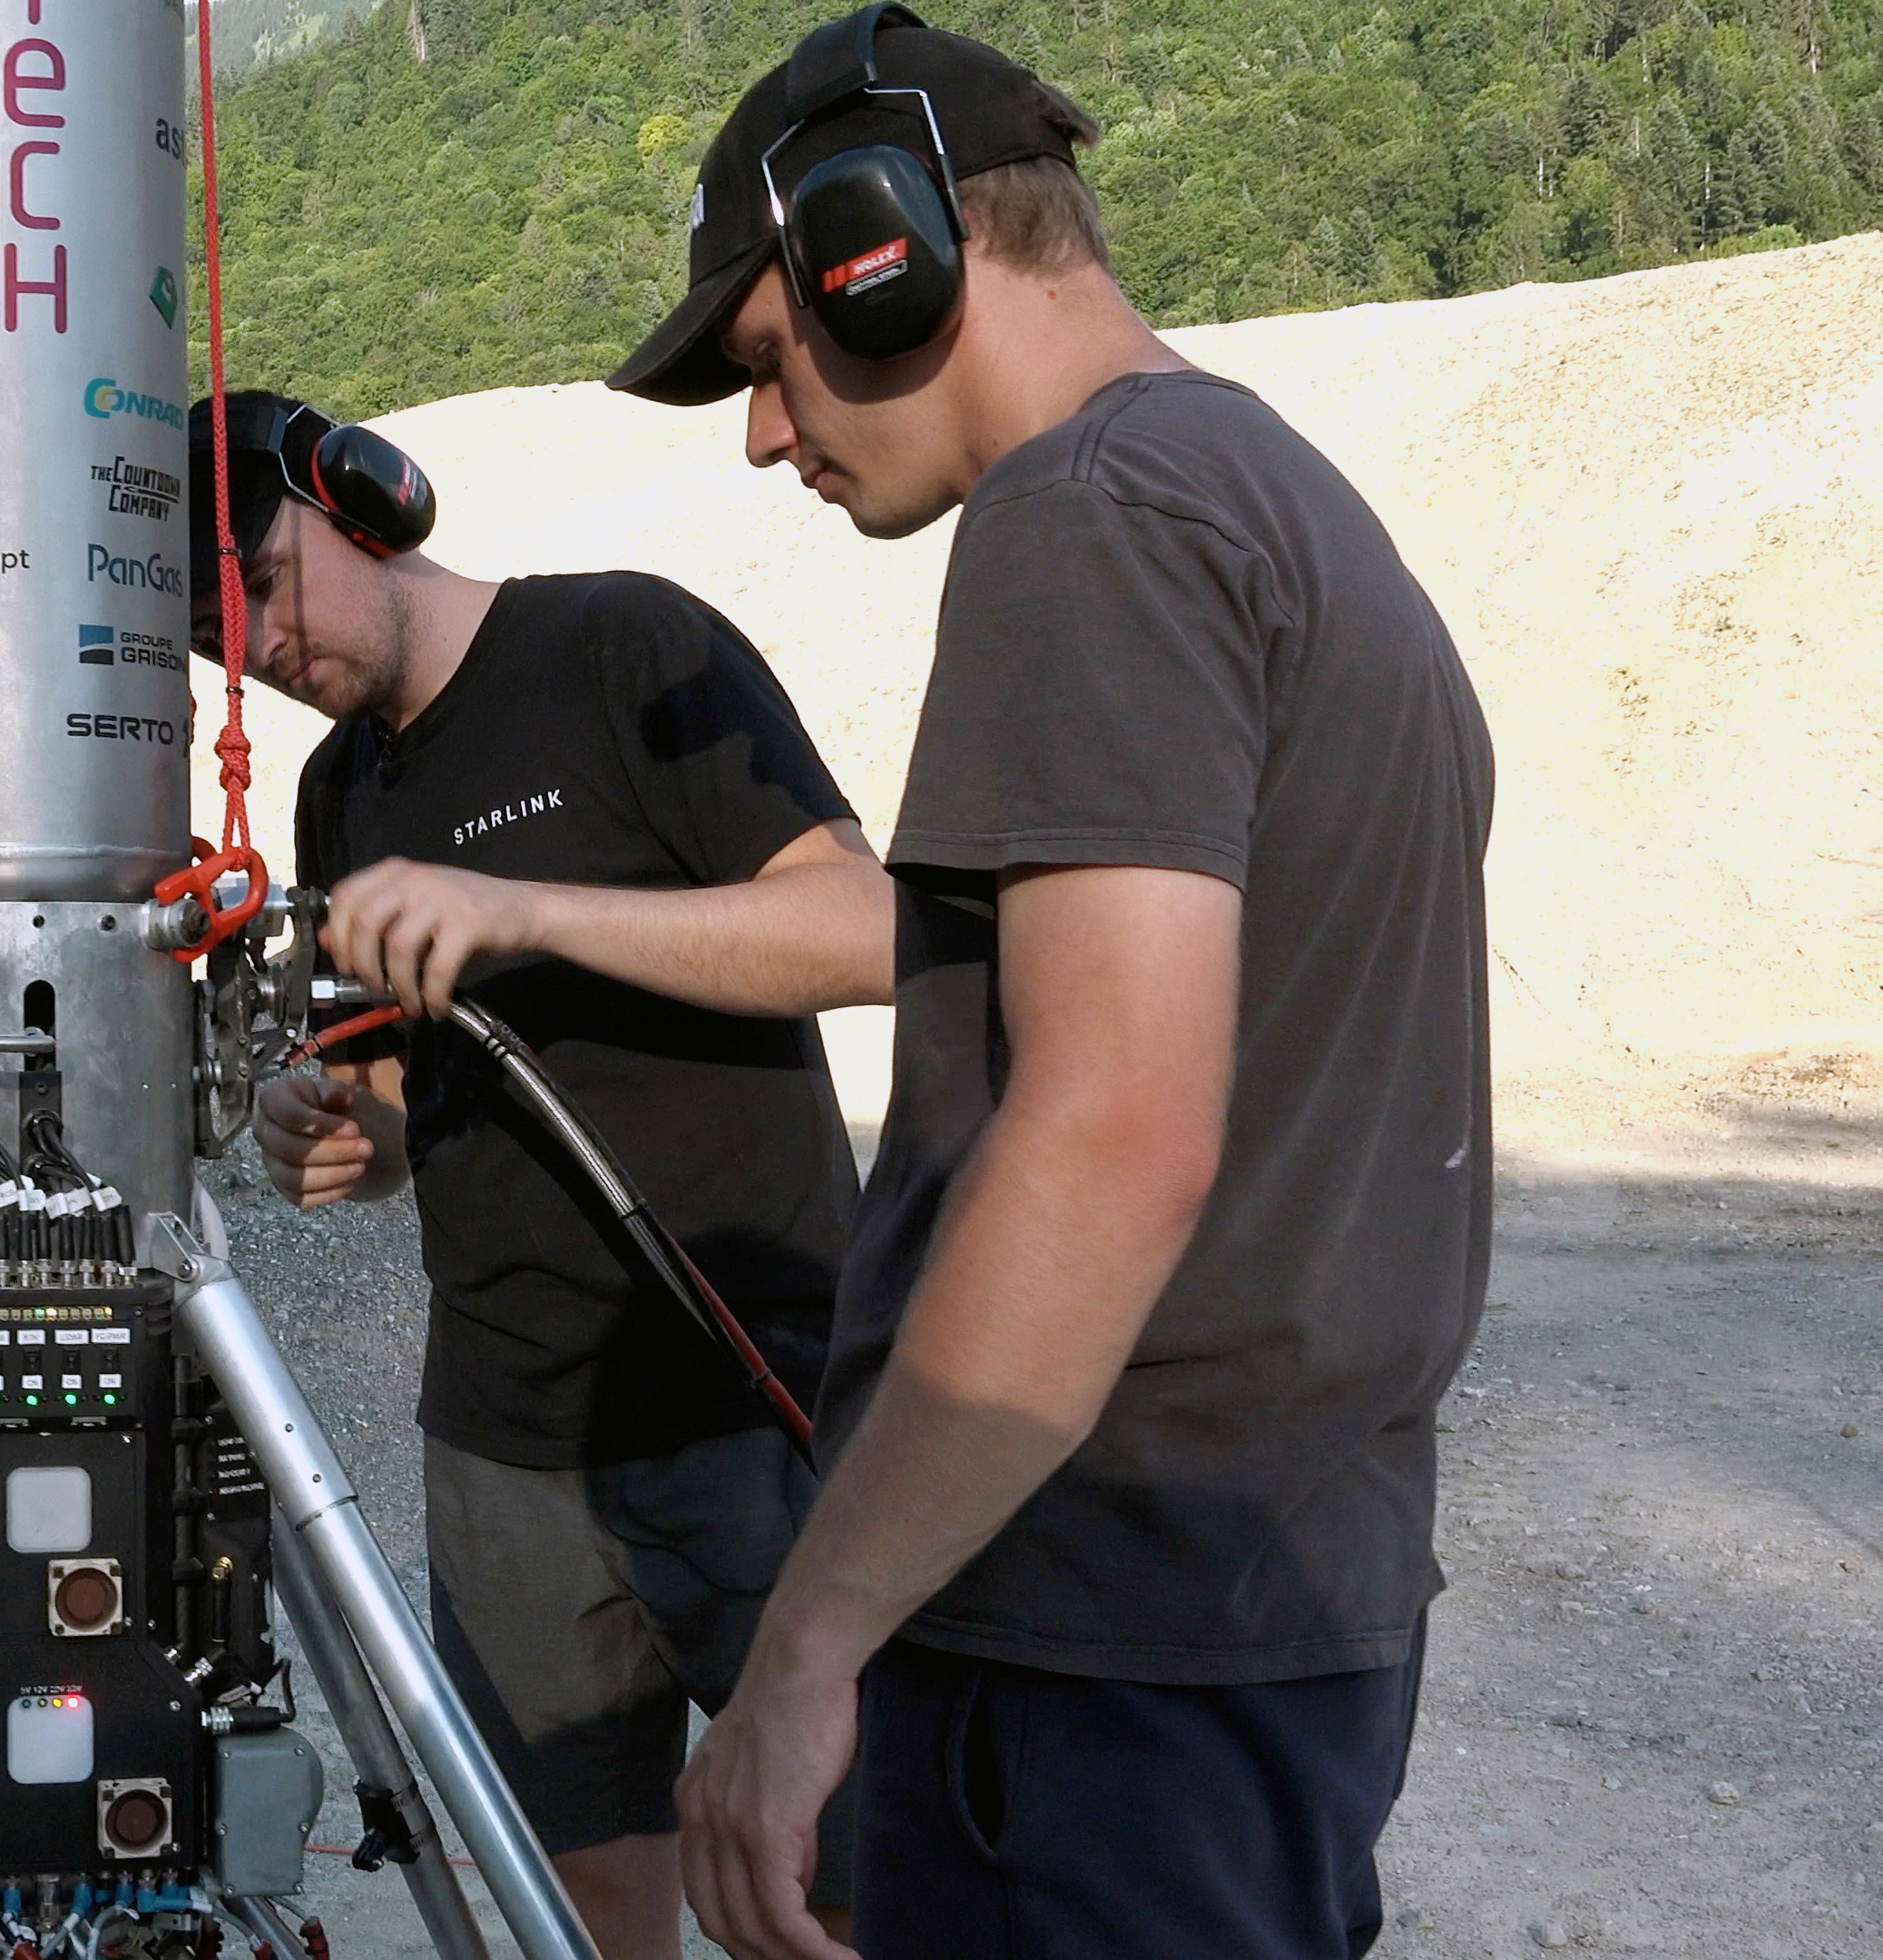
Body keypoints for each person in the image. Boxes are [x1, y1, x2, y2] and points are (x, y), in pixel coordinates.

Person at [605, 11, 1496, 1959]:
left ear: (882, 247)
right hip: (1270, 1606)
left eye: (767, 359)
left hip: (1095, 1646)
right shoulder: (1285, 511)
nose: (767, 433)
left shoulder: (1084, 518)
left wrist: (811, 1644)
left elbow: (1114, 1135)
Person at [204, 390, 895, 1960]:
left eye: (259, 583)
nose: (252, 646)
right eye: (208, 635)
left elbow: (871, 930)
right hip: (505, 1447)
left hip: (752, 1399)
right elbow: (391, 1106)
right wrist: (331, 1132)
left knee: (836, 1893)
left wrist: (529, 914)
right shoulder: (338, 791)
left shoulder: (625, 649)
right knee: (577, 1909)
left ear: (360, 496)